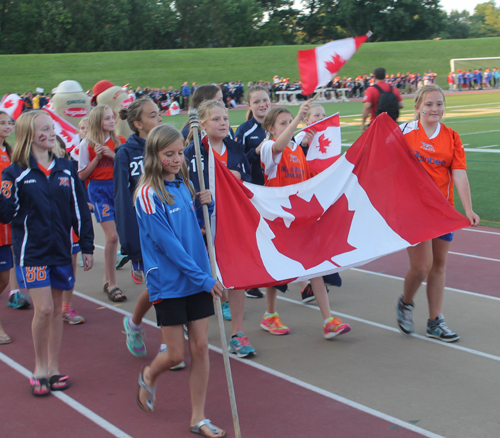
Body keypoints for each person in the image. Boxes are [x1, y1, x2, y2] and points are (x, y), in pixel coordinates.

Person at [134, 124, 225, 438]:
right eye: (168, 154)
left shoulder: (185, 186)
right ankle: (148, 373)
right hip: (171, 282)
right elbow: (168, 244)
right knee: (175, 355)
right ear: (154, 156)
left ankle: (198, 417)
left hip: (197, 277)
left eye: (179, 153)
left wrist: (206, 205)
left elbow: (195, 228)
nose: (176, 159)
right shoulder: (147, 194)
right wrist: (203, 278)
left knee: (201, 348)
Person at [0, 111, 94, 396]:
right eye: (44, 129)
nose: (51, 133)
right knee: (44, 310)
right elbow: (6, 214)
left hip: (61, 251)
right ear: (30, 135)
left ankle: (53, 367)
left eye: (52, 128)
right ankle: (39, 367)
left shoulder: (66, 168)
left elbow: (80, 210)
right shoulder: (14, 173)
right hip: (33, 253)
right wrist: (7, 193)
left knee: (55, 312)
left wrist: (87, 245)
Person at [259, 102, 351, 339]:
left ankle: (328, 319)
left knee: (316, 266)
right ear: (270, 128)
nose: (289, 125)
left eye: (290, 121)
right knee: (277, 272)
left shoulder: (298, 150)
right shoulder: (269, 148)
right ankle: (270, 315)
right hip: (279, 220)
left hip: (300, 219)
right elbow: (279, 146)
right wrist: (299, 119)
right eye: (283, 123)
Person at [397, 85, 480, 343]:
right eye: (430, 104)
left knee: (439, 266)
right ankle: (406, 303)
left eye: (439, 104)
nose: (435, 109)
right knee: (421, 267)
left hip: (441, 211)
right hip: (413, 211)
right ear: (418, 107)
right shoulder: (404, 132)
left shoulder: (452, 137)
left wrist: (467, 208)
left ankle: (435, 321)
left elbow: (459, 173)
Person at [116, 97, 184, 367]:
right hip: (145, 232)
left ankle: (136, 323)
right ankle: (168, 341)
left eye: (160, 114)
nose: (160, 118)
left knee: (165, 282)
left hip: (172, 225)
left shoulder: (169, 148)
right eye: (153, 115)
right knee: (162, 284)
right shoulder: (126, 153)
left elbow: (181, 183)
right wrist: (129, 241)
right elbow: (122, 198)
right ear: (137, 123)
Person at [184, 100, 255, 358]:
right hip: (202, 227)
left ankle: (238, 333)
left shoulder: (236, 151)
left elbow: (249, 187)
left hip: (232, 224)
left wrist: (239, 179)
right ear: (202, 124)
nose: (223, 123)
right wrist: (198, 212)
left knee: (236, 279)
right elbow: (183, 189)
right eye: (216, 119)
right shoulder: (191, 153)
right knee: (203, 279)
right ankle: (190, 327)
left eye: (225, 118)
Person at [78, 105, 126, 302]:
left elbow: (126, 168)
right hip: (99, 191)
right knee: (112, 236)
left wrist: (113, 155)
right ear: (98, 121)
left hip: (118, 189)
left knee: (117, 237)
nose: (111, 121)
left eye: (112, 117)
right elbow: (81, 175)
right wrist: (97, 158)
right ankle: (112, 284)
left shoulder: (120, 141)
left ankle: (107, 279)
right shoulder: (86, 144)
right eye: (106, 118)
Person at [234, 85, 271, 299]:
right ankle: (250, 280)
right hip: (254, 191)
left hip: (275, 189)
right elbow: (238, 162)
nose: (261, 104)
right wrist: (256, 151)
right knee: (254, 235)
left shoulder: (277, 125)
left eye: (264, 100)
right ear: (249, 105)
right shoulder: (245, 130)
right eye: (256, 101)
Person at [0, 111, 14, 343]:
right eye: (2, 122)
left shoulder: (10, 153)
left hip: (6, 224)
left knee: (4, 278)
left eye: (9, 122)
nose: (7, 125)